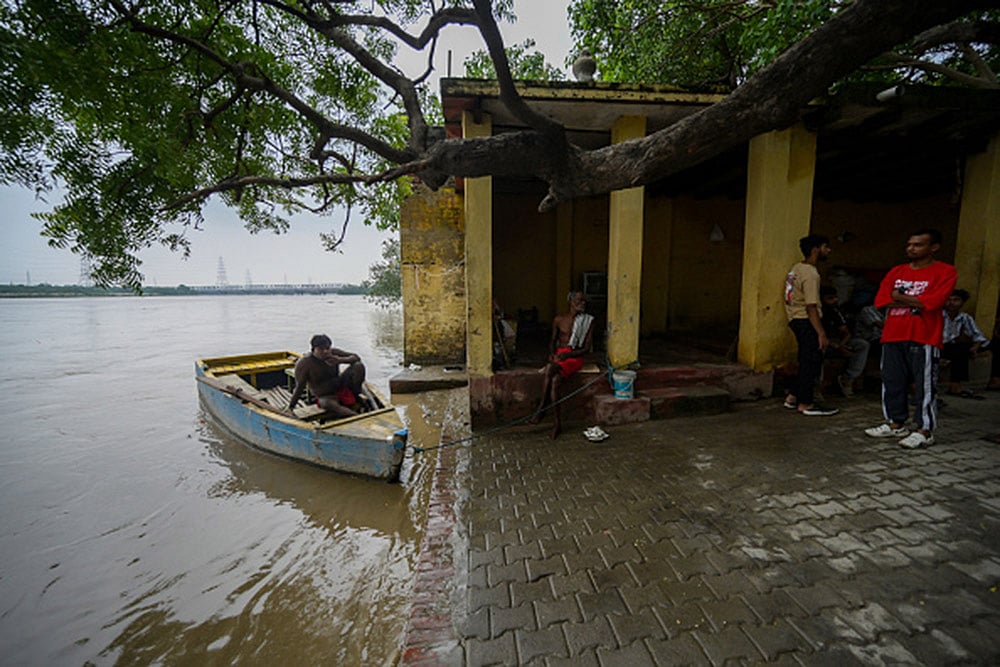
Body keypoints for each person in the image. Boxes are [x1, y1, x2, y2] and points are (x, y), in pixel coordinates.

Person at [864, 229, 957, 449]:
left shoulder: (945, 271)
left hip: (924, 335)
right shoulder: (897, 271)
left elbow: (935, 301)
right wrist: (915, 301)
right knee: (891, 380)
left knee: (925, 384)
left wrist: (900, 297)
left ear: (933, 247)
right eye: (909, 244)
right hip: (893, 333)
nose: (911, 249)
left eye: (918, 245)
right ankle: (896, 423)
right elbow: (882, 301)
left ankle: (924, 430)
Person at [783, 234, 839, 416]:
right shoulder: (811, 274)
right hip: (806, 321)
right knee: (811, 363)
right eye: (825, 247)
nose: (828, 250)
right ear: (816, 249)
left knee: (805, 359)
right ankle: (806, 403)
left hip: (795, 319)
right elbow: (811, 306)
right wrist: (821, 333)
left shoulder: (796, 268)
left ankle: (793, 396)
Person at [530, 291, 595, 439]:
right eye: (579, 300)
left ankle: (541, 408)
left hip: (574, 357)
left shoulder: (588, 321)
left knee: (550, 368)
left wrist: (568, 355)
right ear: (571, 301)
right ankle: (557, 423)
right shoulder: (559, 319)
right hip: (560, 355)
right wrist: (552, 353)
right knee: (555, 382)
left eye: (584, 301)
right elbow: (552, 341)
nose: (582, 304)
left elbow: (585, 349)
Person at [288, 334, 366, 418]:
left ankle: (356, 395)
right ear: (313, 349)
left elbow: (356, 357)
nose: (325, 351)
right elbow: (299, 387)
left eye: (327, 348)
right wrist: (291, 407)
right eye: (321, 349)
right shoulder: (305, 364)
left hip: (341, 387)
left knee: (358, 366)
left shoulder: (334, 353)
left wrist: (340, 360)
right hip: (325, 395)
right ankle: (355, 416)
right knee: (326, 403)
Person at [820, 286, 870, 397]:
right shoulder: (819, 313)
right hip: (823, 343)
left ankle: (848, 378)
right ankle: (818, 386)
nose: (834, 300)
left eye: (835, 297)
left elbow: (846, 332)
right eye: (830, 298)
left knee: (862, 345)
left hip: (838, 342)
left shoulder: (836, 312)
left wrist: (841, 345)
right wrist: (836, 346)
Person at [941, 289, 990, 398]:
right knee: (958, 351)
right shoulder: (938, 315)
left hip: (952, 347)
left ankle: (956, 385)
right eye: (948, 300)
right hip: (937, 346)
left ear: (962, 302)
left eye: (956, 300)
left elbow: (978, 335)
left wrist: (975, 346)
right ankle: (955, 385)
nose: (951, 303)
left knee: (962, 349)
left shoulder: (964, 317)